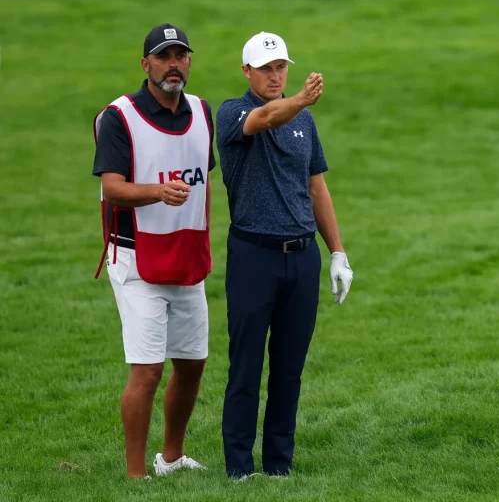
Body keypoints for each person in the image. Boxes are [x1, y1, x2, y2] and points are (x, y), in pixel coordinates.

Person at [216, 31, 354, 480]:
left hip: (301, 257)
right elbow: (266, 118)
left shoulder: (303, 123)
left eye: (281, 68)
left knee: (289, 369)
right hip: (254, 256)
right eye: (266, 69)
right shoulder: (234, 113)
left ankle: (279, 465)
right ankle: (239, 467)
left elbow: (316, 187)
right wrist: (299, 100)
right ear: (247, 72)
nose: (275, 76)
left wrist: (337, 252)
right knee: (246, 366)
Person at [92, 23, 216, 479]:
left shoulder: (202, 112)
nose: (174, 64)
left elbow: (203, 180)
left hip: (186, 257)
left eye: (181, 55)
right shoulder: (119, 117)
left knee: (192, 363)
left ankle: (171, 457)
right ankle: (135, 474)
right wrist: (157, 193)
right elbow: (112, 189)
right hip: (136, 258)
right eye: (164, 56)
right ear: (146, 64)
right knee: (147, 373)